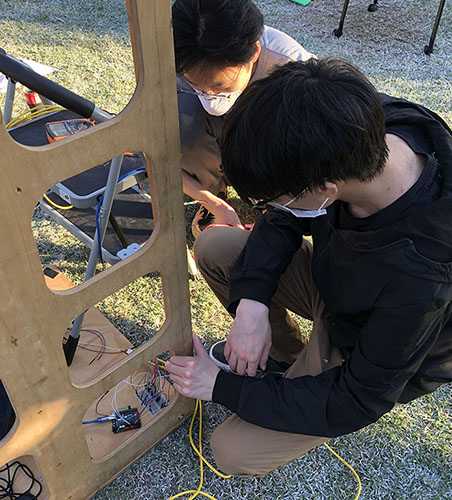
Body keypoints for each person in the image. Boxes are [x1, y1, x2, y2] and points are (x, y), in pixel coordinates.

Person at [166, 58, 452, 476]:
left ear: (325, 190)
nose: (266, 210)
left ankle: (300, 373)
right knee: (216, 247)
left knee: (233, 452)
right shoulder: (357, 122)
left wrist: (221, 386)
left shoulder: (422, 276)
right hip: (339, 282)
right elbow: (286, 214)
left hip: (372, 343)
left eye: (272, 200)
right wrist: (252, 302)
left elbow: (358, 400)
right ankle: (285, 360)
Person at [172, 0, 314, 237]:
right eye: (195, 84)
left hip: (271, 140)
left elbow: (313, 155)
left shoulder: (292, 71)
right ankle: (217, 189)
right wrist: (211, 202)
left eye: (219, 85)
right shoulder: (180, 55)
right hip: (218, 136)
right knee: (181, 122)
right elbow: (154, 154)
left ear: (254, 54)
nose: (208, 93)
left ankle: (273, 203)